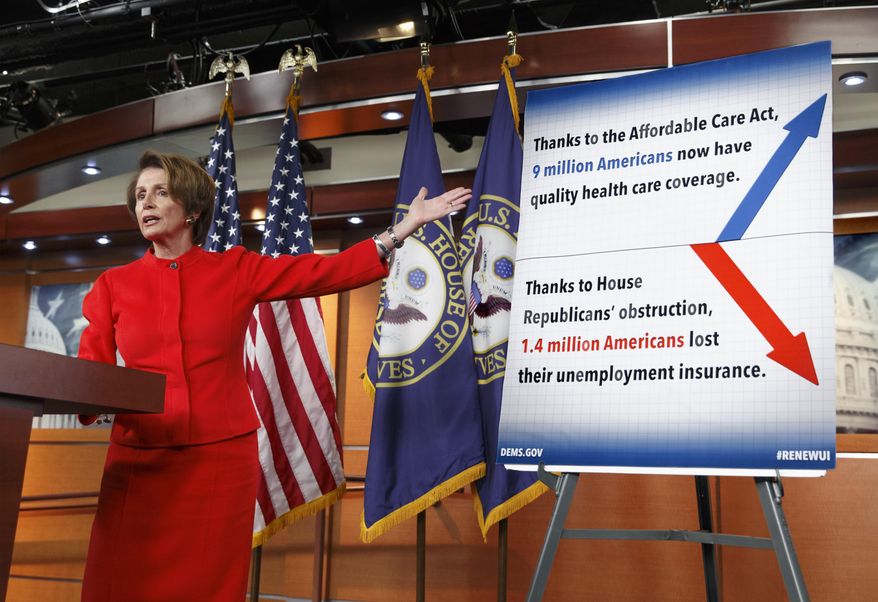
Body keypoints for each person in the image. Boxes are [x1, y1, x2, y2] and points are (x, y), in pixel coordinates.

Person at [77, 150, 470, 601]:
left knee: (208, 586)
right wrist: (88, 402)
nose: (146, 202)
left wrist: (400, 231)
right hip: (138, 461)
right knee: (117, 581)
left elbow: (322, 272)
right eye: (140, 195)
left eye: (160, 193)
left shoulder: (236, 269)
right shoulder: (112, 285)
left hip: (217, 463)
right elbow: (92, 373)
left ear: (193, 209)